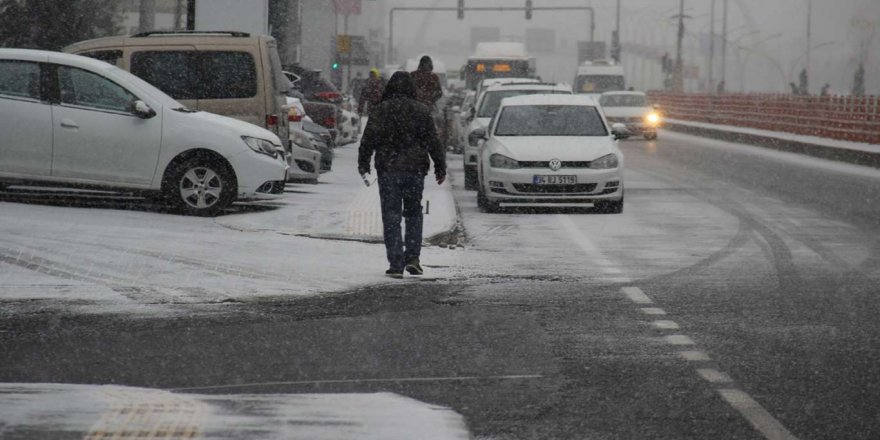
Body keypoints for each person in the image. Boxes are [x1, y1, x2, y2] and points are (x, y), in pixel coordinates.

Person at [358, 72, 447, 278]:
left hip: (388, 169)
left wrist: (363, 163)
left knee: (391, 216)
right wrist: (439, 166)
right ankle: (413, 258)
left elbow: (368, 139)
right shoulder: (422, 111)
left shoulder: (380, 110)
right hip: (415, 170)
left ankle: (396, 262)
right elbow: (433, 141)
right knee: (414, 213)